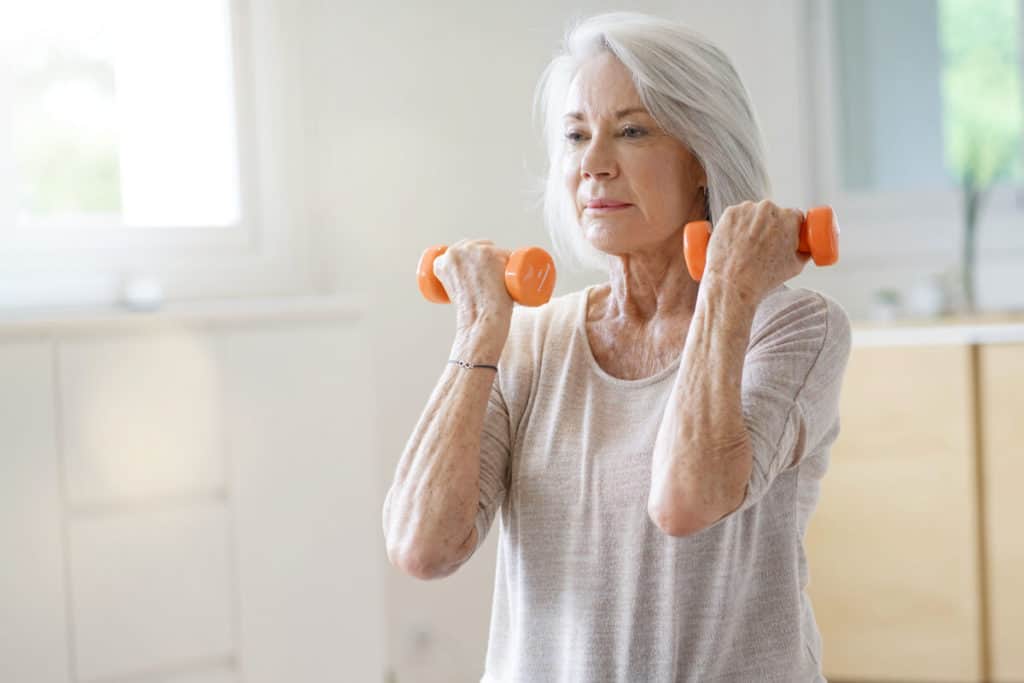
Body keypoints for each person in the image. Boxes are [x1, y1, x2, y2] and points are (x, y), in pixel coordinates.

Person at [383, 11, 852, 682]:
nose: (592, 165)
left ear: (702, 158)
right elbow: (421, 546)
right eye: (576, 136)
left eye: (631, 131)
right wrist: (479, 329)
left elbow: (686, 500)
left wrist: (725, 287)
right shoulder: (531, 339)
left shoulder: (794, 329)